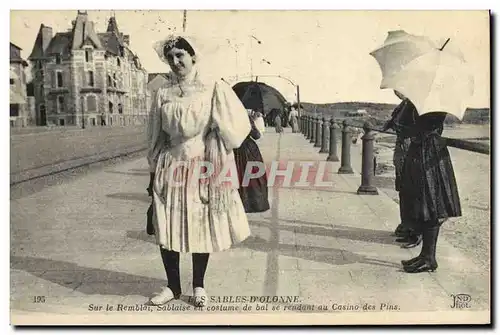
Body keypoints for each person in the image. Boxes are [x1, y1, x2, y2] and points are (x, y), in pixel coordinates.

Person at [146, 34, 252, 307]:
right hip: (170, 165)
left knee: (199, 224)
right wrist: (154, 168)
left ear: (193, 56)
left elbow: (237, 128)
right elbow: (154, 134)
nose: (175, 61)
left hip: (201, 166)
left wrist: (218, 136)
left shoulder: (212, 88)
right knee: (166, 223)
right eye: (170, 58)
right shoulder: (162, 92)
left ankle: (199, 286)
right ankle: (172, 286)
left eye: (180, 55)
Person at [399, 111, 462, 273]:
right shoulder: (427, 105)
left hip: (428, 152)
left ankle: (429, 258)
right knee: (426, 204)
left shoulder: (430, 107)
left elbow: (411, 127)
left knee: (431, 204)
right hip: (425, 150)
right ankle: (426, 255)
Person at [382, 90, 421, 248]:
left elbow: (415, 128)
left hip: (410, 149)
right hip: (402, 149)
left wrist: (397, 125)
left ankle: (415, 231)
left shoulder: (414, 104)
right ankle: (406, 226)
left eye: (398, 88)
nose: (396, 91)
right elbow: (395, 122)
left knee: (412, 189)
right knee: (403, 188)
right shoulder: (404, 105)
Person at [233, 109, 270, 213]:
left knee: (238, 174)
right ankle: (254, 204)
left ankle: (240, 203)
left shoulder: (231, 116)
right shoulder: (246, 118)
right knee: (254, 175)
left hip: (235, 148)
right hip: (248, 149)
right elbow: (256, 135)